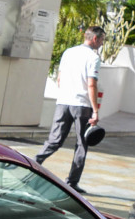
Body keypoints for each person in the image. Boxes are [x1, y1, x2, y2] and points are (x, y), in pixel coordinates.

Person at [37, 26, 105, 192]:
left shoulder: (69, 52)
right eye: (102, 39)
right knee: (82, 144)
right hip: (82, 106)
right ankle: (72, 183)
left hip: (63, 102)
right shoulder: (93, 58)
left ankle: (31, 164)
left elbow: (59, 78)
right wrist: (95, 110)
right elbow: (91, 84)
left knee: (54, 140)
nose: (102, 43)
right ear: (95, 39)